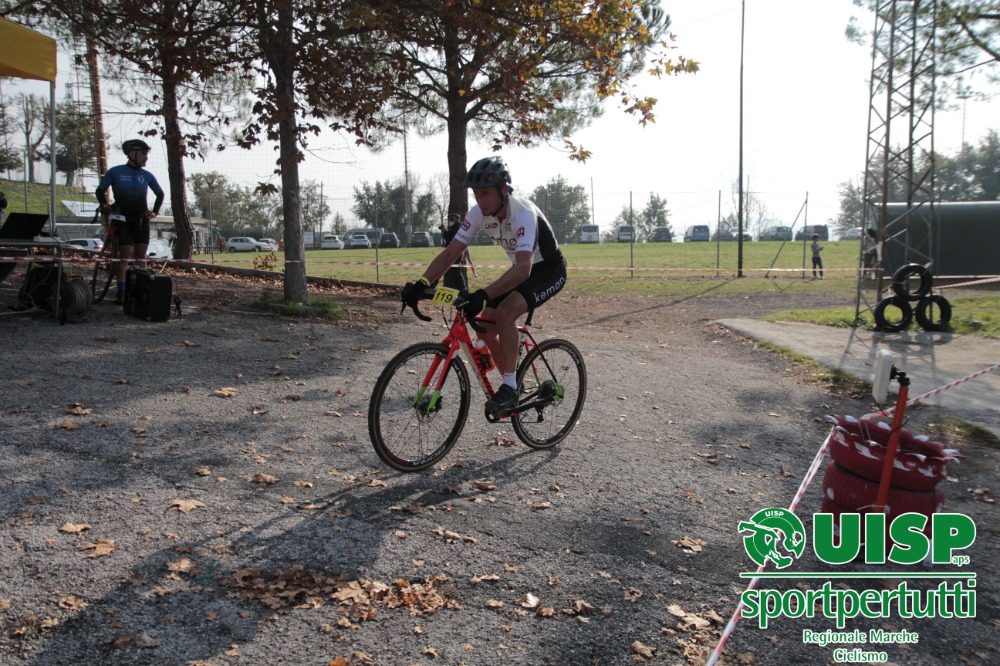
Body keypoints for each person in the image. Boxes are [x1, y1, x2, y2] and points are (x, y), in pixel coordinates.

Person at [401, 156, 567, 415]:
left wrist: (482, 294)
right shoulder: (478, 214)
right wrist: (422, 282)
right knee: (486, 329)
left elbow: (524, 268)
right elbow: (450, 253)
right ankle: (513, 383)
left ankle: (509, 386)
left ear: (504, 190)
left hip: (548, 270)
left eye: (485, 193)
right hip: (520, 269)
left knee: (505, 312)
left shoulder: (523, 213)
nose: (480, 200)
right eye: (476, 194)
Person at [95, 139, 164, 304]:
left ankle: (141, 290)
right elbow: (99, 191)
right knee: (125, 254)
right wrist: (105, 205)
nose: (146, 158)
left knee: (141, 255)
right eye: (143, 154)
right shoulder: (115, 172)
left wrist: (154, 212)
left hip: (141, 219)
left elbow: (160, 194)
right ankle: (121, 291)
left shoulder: (146, 175)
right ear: (132, 154)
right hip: (123, 218)